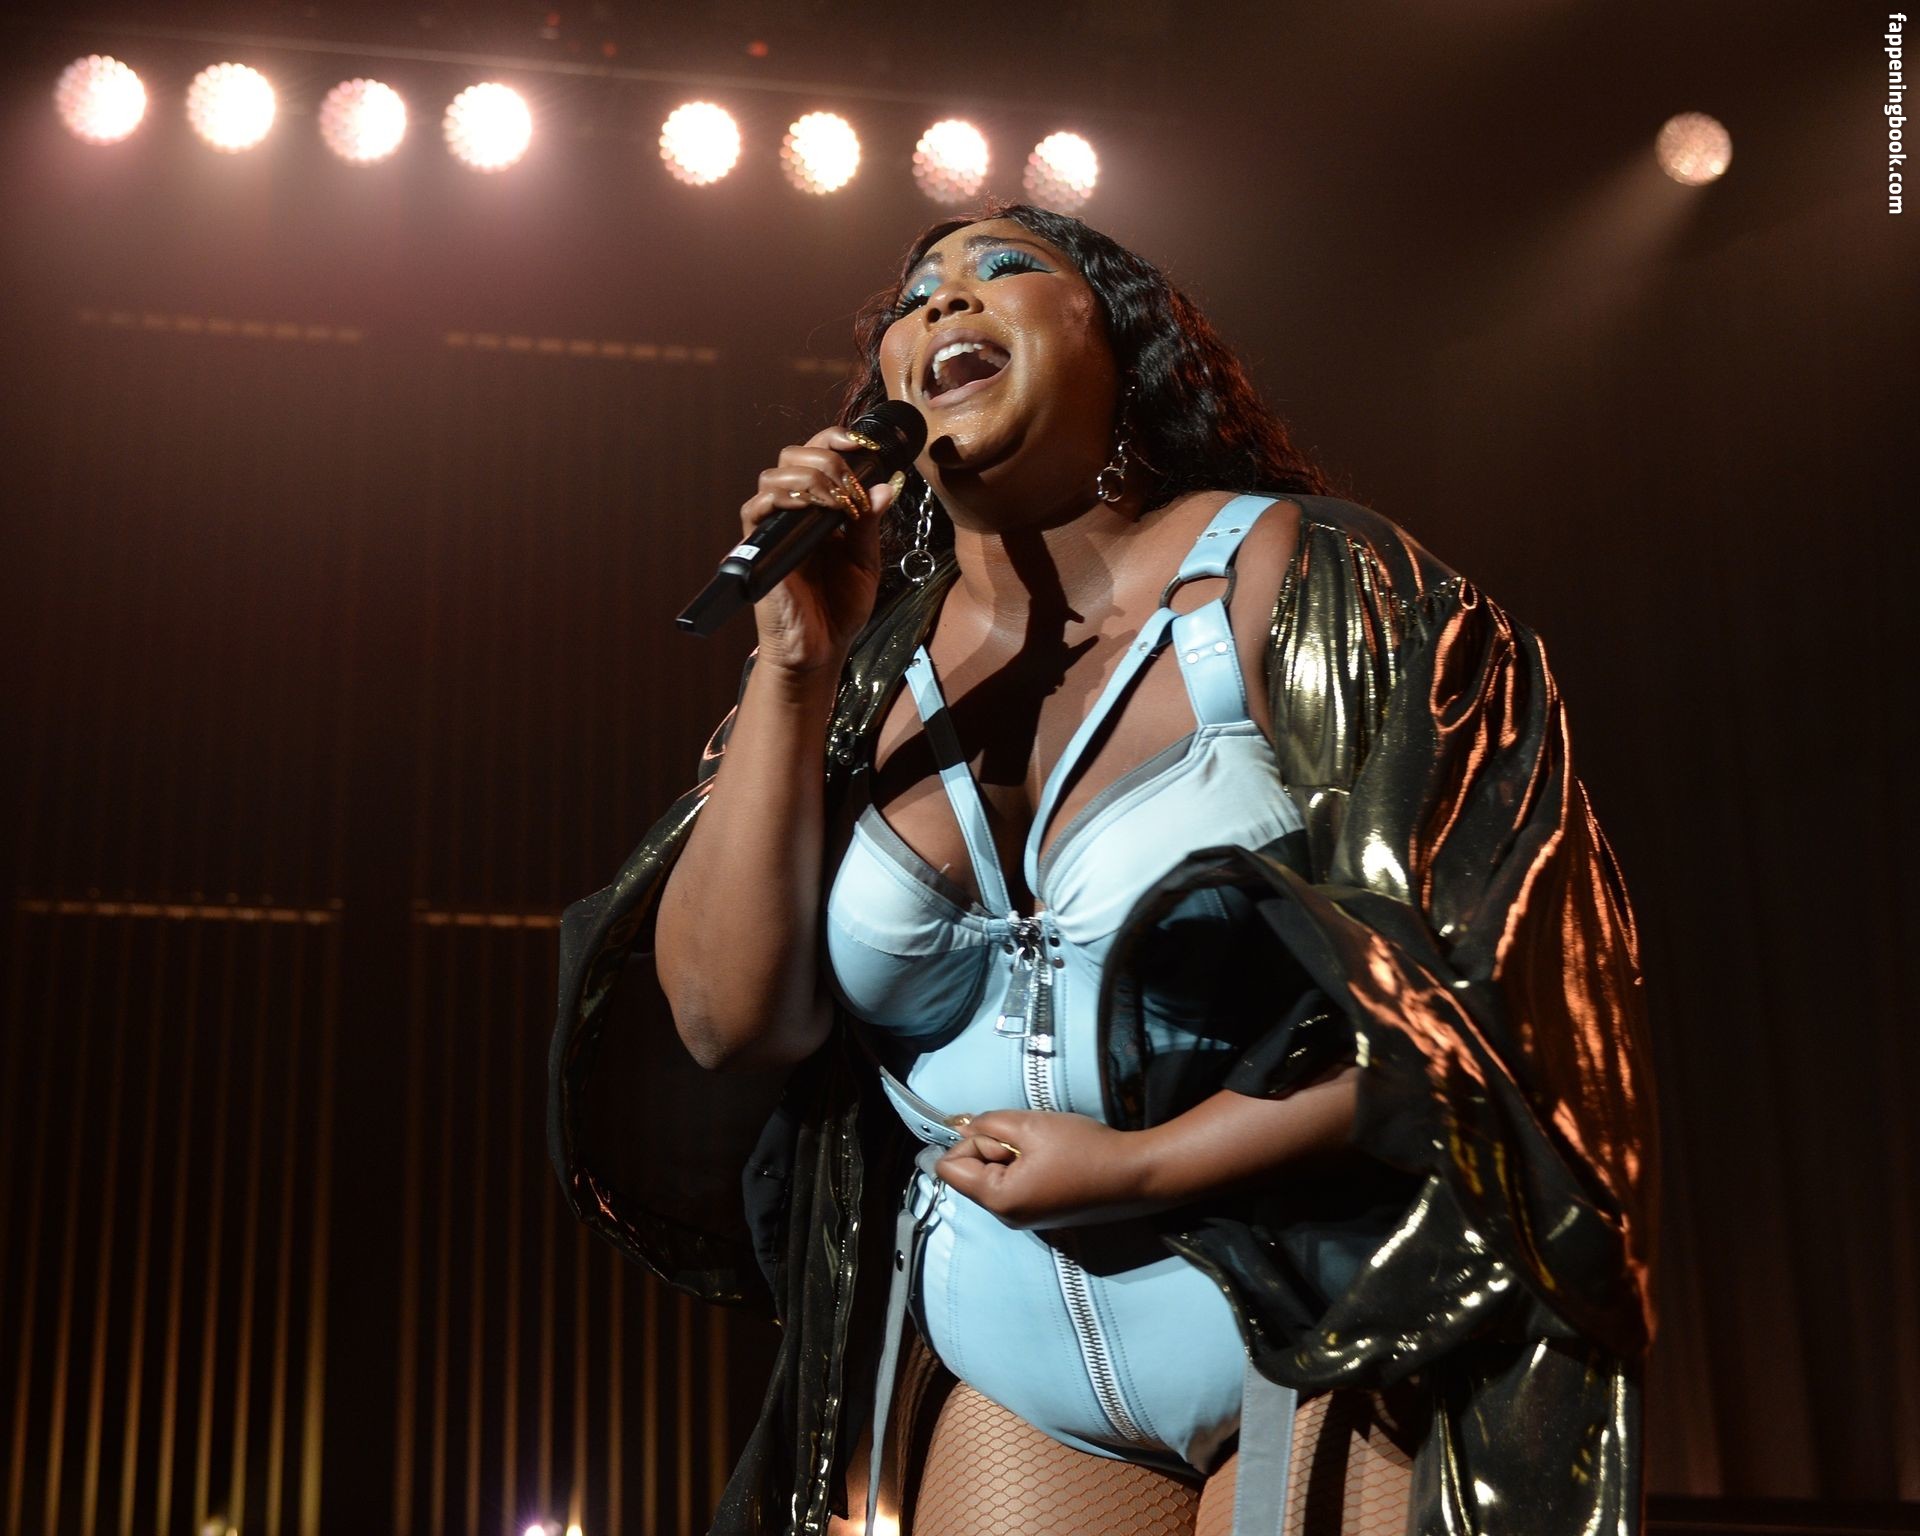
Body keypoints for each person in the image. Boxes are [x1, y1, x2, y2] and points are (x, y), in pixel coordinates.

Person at [549, 203, 1657, 1536]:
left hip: (1336, 1313)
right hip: (1016, 1366)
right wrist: (795, 665)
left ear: (1125, 340)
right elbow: (730, 1021)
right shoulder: (861, 672)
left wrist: (1144, 1167)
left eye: (1005, 270)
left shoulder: (1300, 574)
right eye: (915, 295)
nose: (945, 303)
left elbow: (1491, 1000)